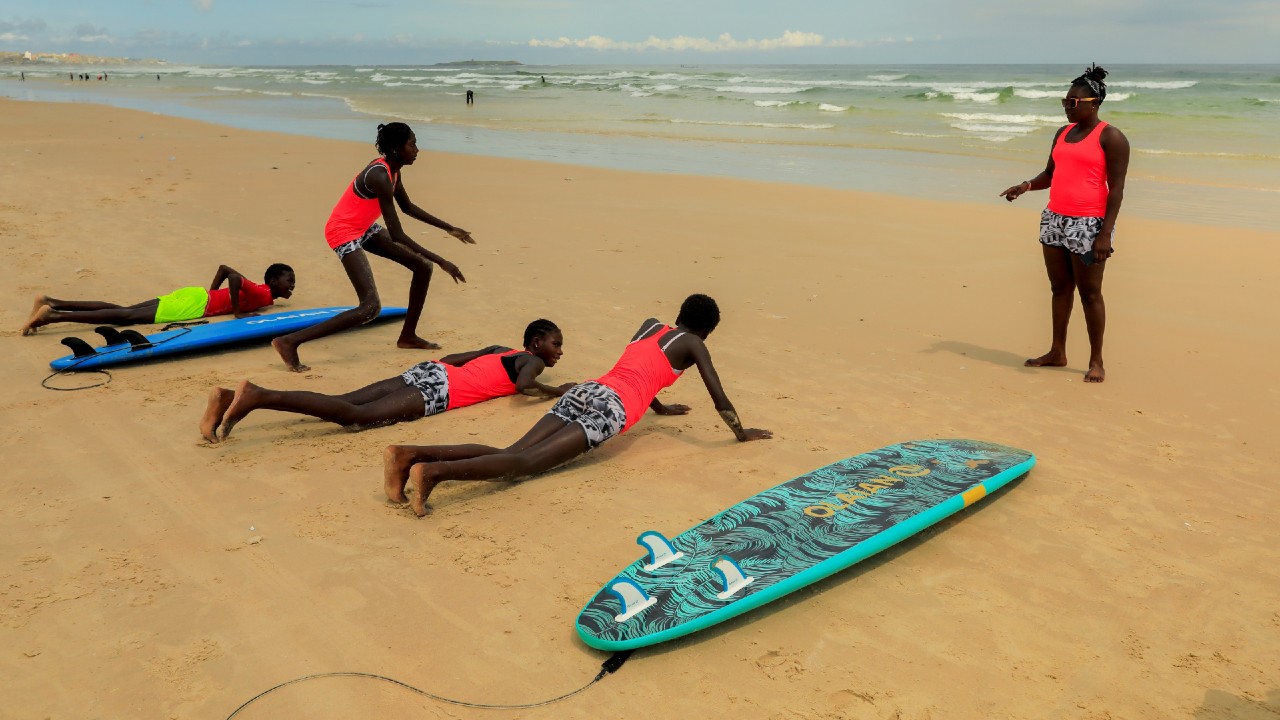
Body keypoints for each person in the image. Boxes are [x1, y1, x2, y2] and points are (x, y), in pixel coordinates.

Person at [383, 294, 772, 517]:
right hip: (611, 408)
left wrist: (660, 408)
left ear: (679, 316)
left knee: (513, 451)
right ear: (707, 330)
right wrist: (741, 433)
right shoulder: (696, 344)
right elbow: (718, 397)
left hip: (587, 389)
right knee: (523, 465)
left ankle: (409, 455)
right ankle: (433, 473)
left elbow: (641, 368)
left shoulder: (653, 325)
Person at [272, 122, 474, 373]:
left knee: (422, 267)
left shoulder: (394, 170)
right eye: (412, 144)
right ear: (396, 148)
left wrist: (449, 228)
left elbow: (408, 207)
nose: (417, 149)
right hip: (342, 231)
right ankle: (289, 341)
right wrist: (443, 260)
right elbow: (398, 235)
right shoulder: (379, 175)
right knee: (370, 307)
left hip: (364, 226)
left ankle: (408, 336)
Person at [201, 319, 571, 443]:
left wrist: (437, 374)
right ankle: (257, 395)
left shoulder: (500, 348)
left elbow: (453, 358)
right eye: (556, 344)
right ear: (536, 343)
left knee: (346, 400)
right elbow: (524, 386)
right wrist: (559, 390)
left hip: (433, 371)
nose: (558, 352)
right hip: (443, 389)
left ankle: (231, 398)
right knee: (356, 416)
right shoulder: (531, 362)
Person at [1000, 64, 1129, 383]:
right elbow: (1051, 173)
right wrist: (1026, 186)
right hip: (1054, 219)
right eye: (1065, 102)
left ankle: (1097, 360)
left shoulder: (1111, 137)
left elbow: (1117, 190)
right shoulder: (1063, 133)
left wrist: (1105, 234)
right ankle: (1057, 351)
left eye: (1073, 103)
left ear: (1094, 104)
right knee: (1059, 288)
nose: (1067, 107)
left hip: (1088, 224)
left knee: (1090, 293)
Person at [20, 263, 295, 335]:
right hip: (196, 304)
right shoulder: (263, 292)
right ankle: (53, 316)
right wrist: (237, 312)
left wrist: (212, 293)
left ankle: (53, 301)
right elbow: (233, 277)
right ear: (273, 282)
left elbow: (224, 269)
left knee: (124, 311)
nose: (292, 285)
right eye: (289, 281)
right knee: (126, 317)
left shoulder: (263, 292)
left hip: (195, 296)